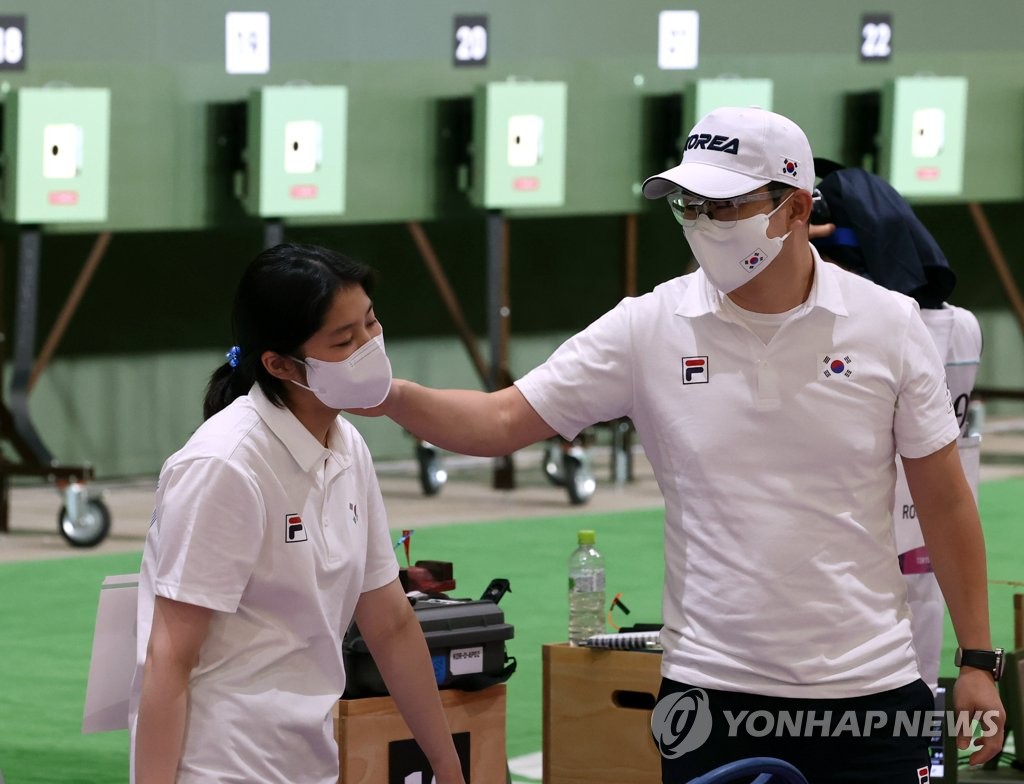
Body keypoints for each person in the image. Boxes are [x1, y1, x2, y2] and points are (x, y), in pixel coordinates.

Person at [362, 107, 1005, 782]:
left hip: (870, 696)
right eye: (689, 205)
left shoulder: (889, 324)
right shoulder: (647, 326)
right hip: (710, 694)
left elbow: (945, 502)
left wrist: (978, 662)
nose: (702, 223)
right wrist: (389, 394)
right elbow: (499, 421)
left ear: (795, 208)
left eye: (725, 206)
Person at [129, 243, 466, 784]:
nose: (369, 346)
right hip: (216, 765)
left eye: (371, 324)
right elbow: (168, 656)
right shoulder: (226, 465)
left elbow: (391, 622)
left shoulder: (348, 444)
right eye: (344, 339)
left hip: (308, 758)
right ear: (280, 364)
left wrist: (448, 764)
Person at [809, 163, 984, 694]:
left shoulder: (872, 325)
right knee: (918, 674)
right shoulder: (962, 324)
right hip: (923, 540)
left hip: (860, 540)